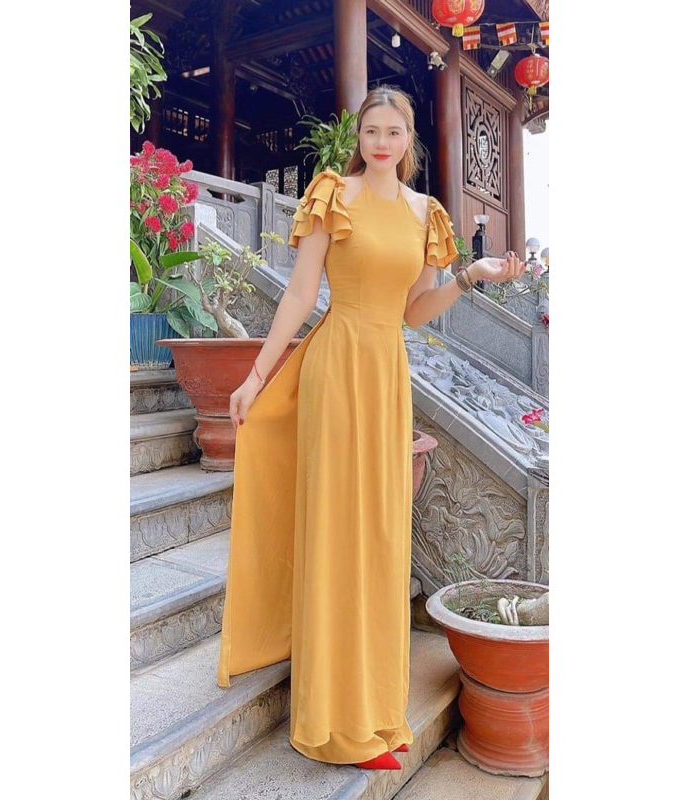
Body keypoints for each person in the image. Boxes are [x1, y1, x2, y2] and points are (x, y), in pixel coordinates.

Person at [216, 85, 523, 771]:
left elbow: (414, 312)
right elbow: (301, 294)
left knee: (380, 536)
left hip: (387, 374)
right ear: (359, 137)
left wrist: (469, 277)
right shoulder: (334, 195)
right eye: (371, 131)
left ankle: (377, 709)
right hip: (335, 366)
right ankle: (333, 720)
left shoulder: (426, 214)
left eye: (394, 132)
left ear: (410, 139)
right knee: (337, 529)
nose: (381, 142)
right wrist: (256, 376)